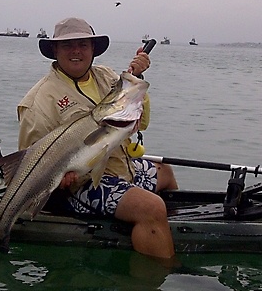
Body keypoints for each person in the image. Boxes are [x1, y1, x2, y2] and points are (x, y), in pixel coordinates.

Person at [17, 17, 178, 261]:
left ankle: (162, 229)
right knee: (151, 207)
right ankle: (160, 266)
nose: (76, 52)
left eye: (83, 44)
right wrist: (61, 178)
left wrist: (136, 78)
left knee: (165, 171)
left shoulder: (105, 76)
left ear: (93, 49)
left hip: (120, 167)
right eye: (67, 45)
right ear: (54, 51)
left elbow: (138, 123)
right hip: (79, 187)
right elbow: (32, 164)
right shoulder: (38, 101)